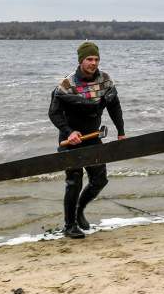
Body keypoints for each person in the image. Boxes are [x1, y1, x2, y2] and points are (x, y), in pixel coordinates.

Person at [49, 41, 125, 239]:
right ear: (81, 60)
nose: (94, 63)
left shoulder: (106, 80)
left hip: (93, 137)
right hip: (71, 139)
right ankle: (69, 225)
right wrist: (68, 132)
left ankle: (80, 210)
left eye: (96, 59)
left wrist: (121, 131)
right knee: (74, 182)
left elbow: (114, 106)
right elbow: (54, 113)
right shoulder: (66, 85)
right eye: (89, 59)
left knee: (100, 179)